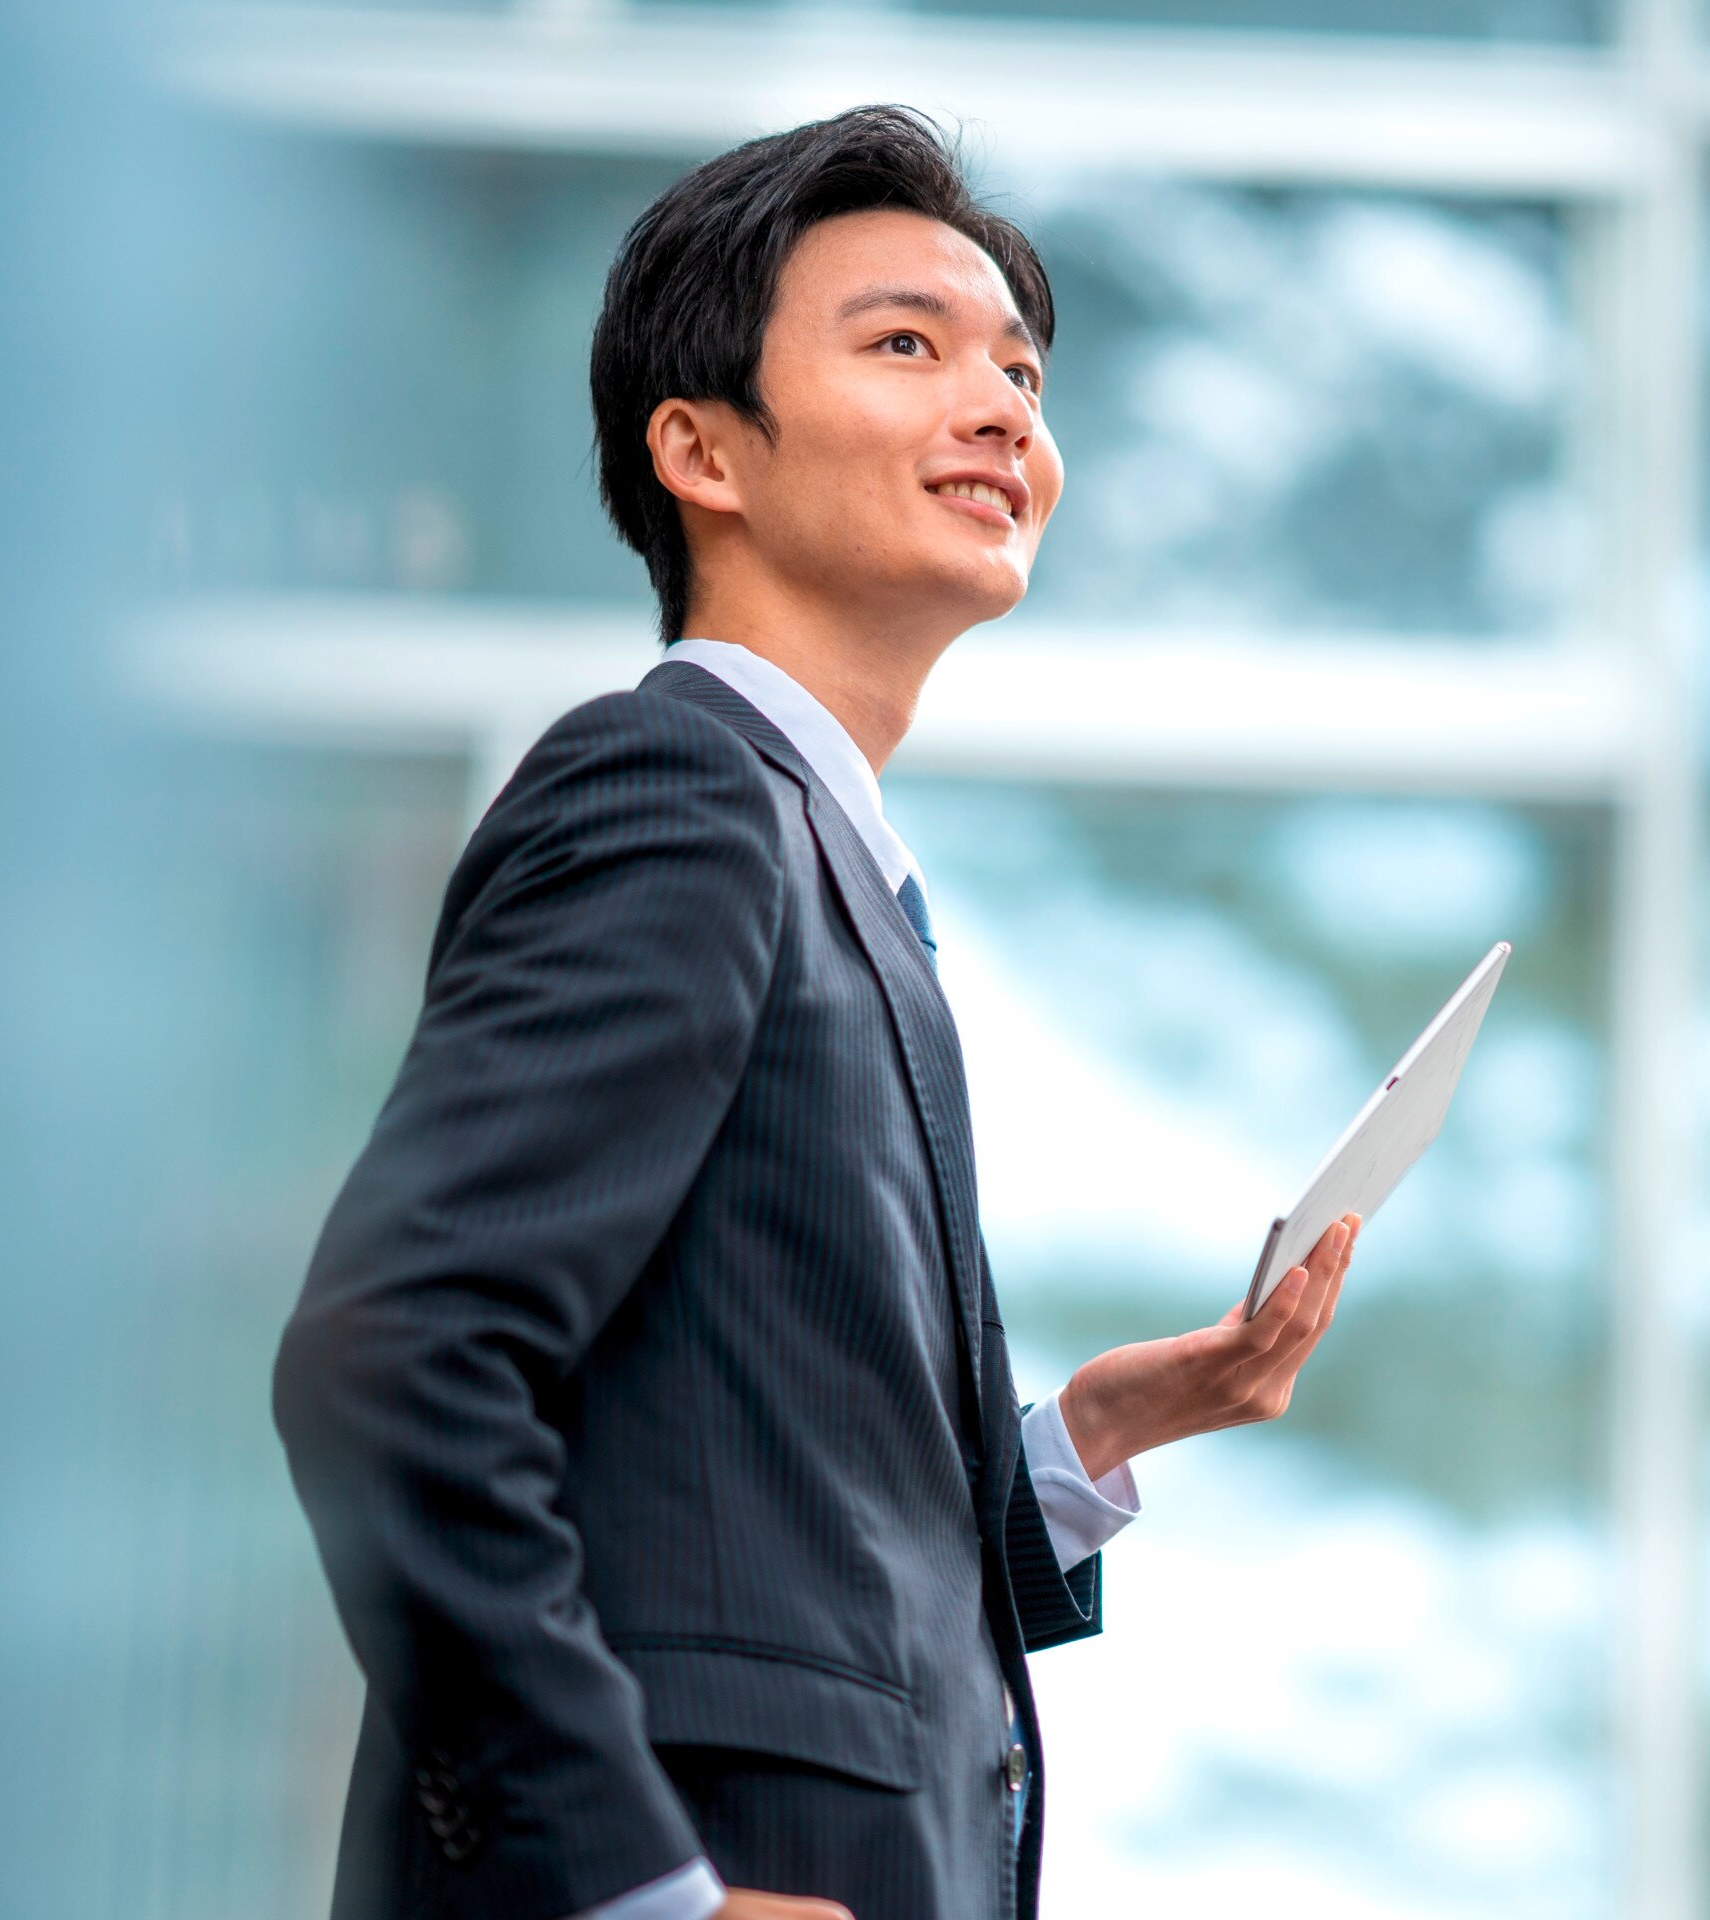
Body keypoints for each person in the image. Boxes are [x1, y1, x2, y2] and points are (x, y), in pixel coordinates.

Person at [271, 106, 1358, 1920]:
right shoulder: (672, 790)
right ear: (701, 450)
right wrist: (630, 1890)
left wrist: (1080, 1447)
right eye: (908, 347)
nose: (1006, 406)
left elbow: (754, 1521)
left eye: (1019, 365)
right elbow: (397, 1357)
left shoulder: (827, 865)